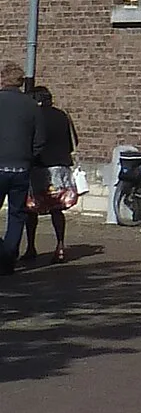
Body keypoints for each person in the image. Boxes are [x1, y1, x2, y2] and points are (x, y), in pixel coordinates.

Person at [0, 62, 45, 277]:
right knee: (17, 215)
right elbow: (40, 140)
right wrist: (29, 156)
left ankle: (3, 252)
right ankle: (8, 258)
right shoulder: (31, 106)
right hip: (21, 168)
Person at [23, 82, 75, 263]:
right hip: (61, 167)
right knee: (57, 209)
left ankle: (30, 247)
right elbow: (72, 142)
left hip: (40, 166)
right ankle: (60, 246)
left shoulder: (34, 116)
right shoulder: (62, 115)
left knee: (31, 208)